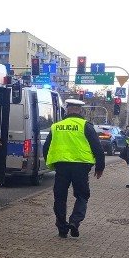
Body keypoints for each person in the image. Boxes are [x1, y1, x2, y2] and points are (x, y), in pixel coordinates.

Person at [42, 98, 106, 238]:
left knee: (60, 197)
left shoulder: (56, 126)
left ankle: (62, 228)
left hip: (61, 166)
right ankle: (75, 222)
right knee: (82, 195)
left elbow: (46, 147)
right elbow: (98, 148)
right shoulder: (86, 126)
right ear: (81, 110)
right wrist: (100, 167)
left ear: (67, 110)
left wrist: (50, 163)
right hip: (81, 166)